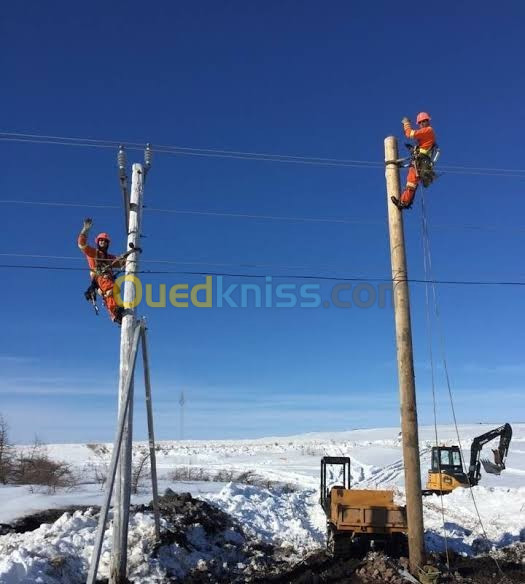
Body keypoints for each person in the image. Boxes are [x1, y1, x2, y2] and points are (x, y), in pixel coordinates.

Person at [77, 218, 132, 324]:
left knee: (113, 291)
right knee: (109, 290)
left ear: (108, 243)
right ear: (98, 242)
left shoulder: (109, 257)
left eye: (105, 241)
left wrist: (132, 253)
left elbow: (121, 262)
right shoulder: (93, 253)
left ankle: (116, 313)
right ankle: (115, 312)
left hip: (107, 281)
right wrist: (85, 230)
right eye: (101, 240)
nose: (102, 242)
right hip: (100, 279)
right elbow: (81, 244)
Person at [391, 111, 436, 210]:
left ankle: (403, 202)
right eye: (420, 123)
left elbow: (410, 134)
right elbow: (423, 146)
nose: (421, 124)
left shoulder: (428, 130)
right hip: (420, 160)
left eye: (422, 122)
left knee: (411, 183)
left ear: (427, 121)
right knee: (411, 183)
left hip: (421, 161)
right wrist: (413, 149)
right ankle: (405, 201)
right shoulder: (428, 132)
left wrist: (406, 124)